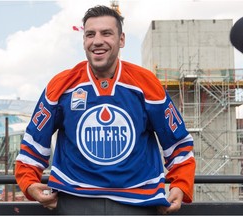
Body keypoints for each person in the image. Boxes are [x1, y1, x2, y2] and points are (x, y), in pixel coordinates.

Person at [15, 5, 196, 215]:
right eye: (90, 34)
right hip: (74, 202)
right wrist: (29, 183)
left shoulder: (146, 84)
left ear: (121, 40)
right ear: (84, 41)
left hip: (137, 203)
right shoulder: (61, 85)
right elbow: (34, 144)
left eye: (106, 33)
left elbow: (178, 143)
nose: (97, 40)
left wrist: (180, 184)